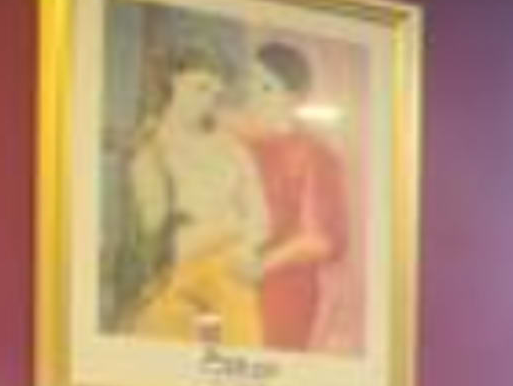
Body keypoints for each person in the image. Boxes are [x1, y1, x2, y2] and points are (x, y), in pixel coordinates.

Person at [123, 42, 269, 348]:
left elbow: (260, 215)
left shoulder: (232, 149)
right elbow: (157, 232)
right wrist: (228, 228)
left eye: (216, 93)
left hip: (232, 276)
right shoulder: (151, 149)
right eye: (200, 87)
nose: (208, 100)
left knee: (236, 357)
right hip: (177, 280)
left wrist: (247, 248)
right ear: (173, 82)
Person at [238, 42, 353, 354]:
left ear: (293, 97)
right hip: (229, 278)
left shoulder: (315, 155)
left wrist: (263, 265)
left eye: (266, 87)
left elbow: (323, 239)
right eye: (250, 83)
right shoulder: (237, 145)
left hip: (283, 288)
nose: (253, 94)